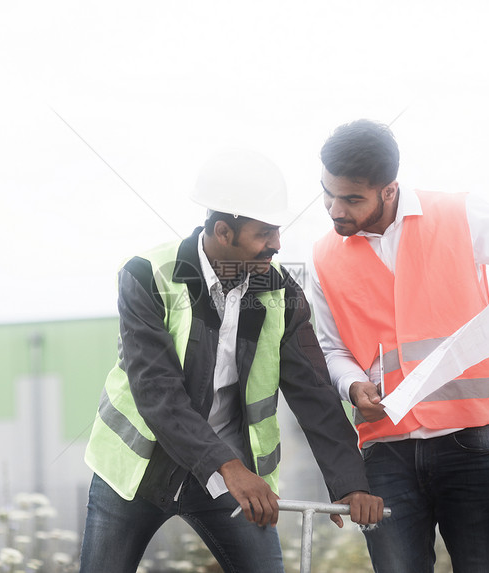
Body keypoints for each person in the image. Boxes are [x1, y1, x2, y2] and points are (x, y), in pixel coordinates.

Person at [79, 148, 385, 573]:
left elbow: (313, 392)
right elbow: (157, 393)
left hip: (230, 478)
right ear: (224, 231)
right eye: (265, 233)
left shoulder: (281, 292)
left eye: (277, 231)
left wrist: (350, 483)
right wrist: (229, 467)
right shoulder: (148, 277)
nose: (277, 245)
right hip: (139, 473)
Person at [309, 119, 489, 573]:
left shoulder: (459, 214)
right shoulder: (322, 255)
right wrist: (353, 386)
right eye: (327, 193)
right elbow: (331, 349)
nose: (335, 210)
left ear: (388, 191)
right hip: (385, 451)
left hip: (470, 445)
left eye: (351, 199)